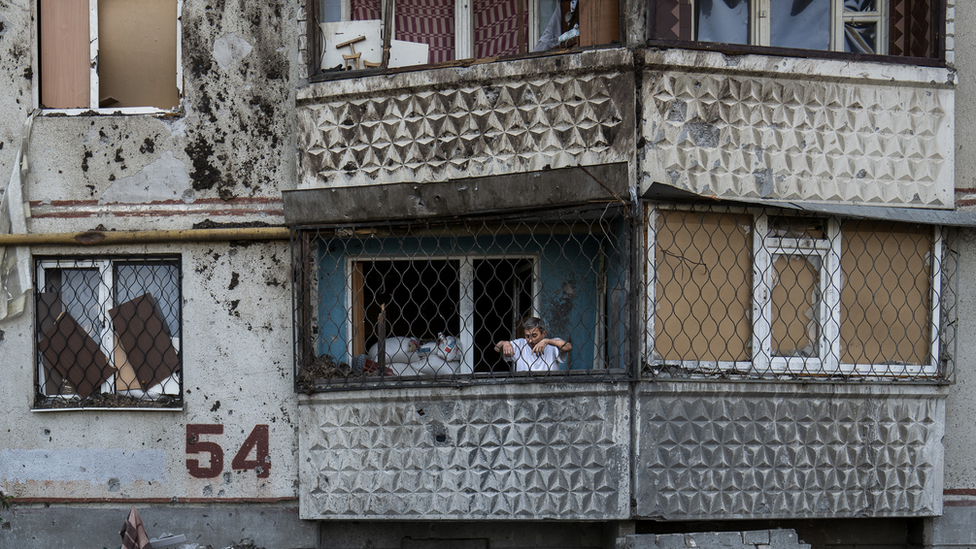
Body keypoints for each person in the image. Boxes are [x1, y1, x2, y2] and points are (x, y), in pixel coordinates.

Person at [494, 317, 572, 372]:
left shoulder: (552, 345)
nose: (530, 340)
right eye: (527, 336)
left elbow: (568, 346)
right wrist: (505, 343)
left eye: (534, 336)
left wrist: (547, 341)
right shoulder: (520, 344)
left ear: (543, 333)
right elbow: (496, 348)